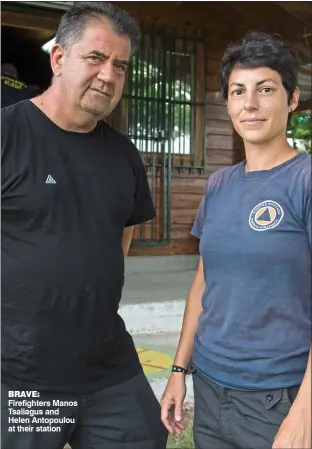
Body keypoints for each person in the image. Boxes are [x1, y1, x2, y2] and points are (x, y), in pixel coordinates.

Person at [1, 2, 167, 449]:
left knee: (146, 437)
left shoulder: (123, 154)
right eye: (95, 57)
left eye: (121, 65)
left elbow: (121, 234)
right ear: (58, 58)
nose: (109, 75)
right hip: (22, 375)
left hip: (107, 367)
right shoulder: (7, 135)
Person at [161, 31, 311, 449]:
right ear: (227, 103)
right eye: (238, 91)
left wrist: (305, 412)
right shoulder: (219, 184)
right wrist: (178, 371)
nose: (250, 103)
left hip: (278, 395)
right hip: (211, 387)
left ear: (292, 99)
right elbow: (204, 282)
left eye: (266, 89)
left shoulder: (305, 180)